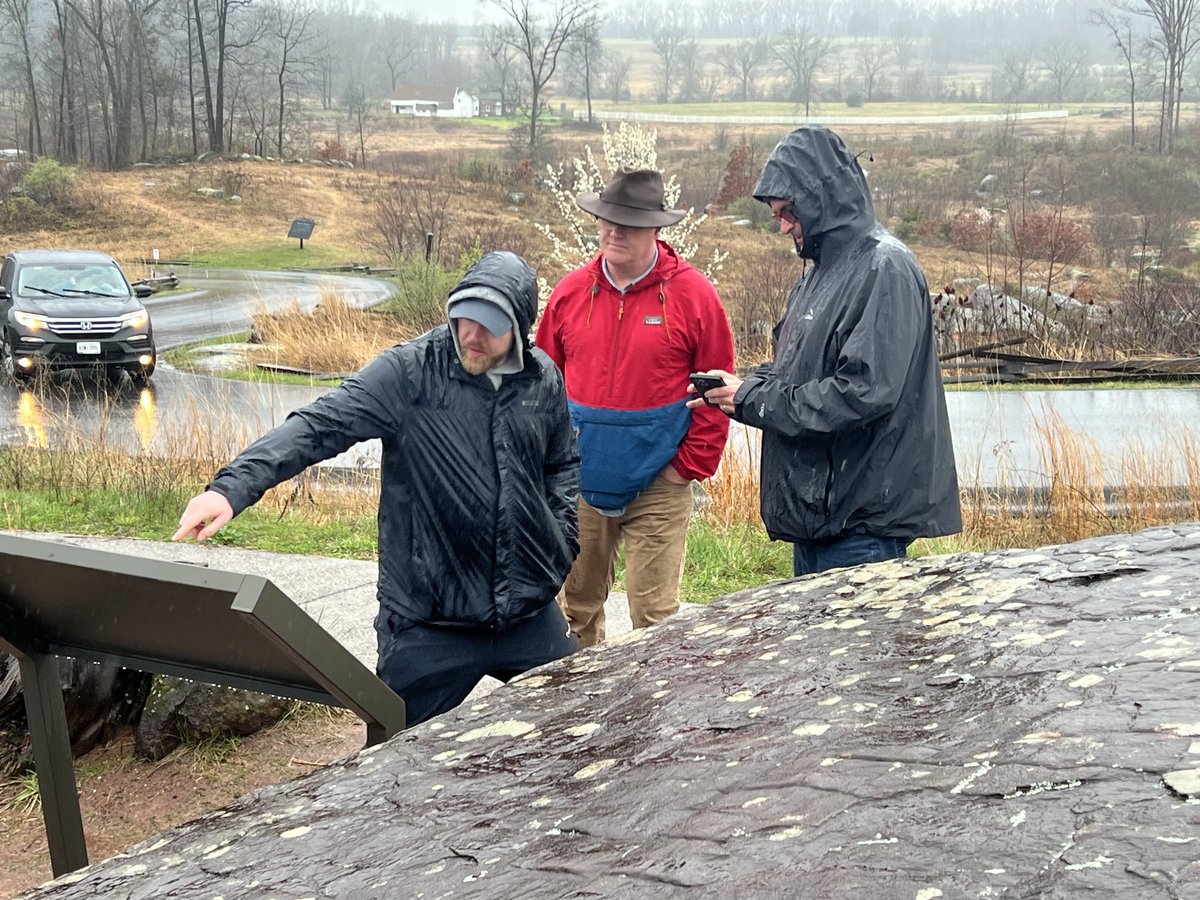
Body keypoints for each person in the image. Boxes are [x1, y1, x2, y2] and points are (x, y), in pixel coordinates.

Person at [173, 251, 581, 727]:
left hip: (527, 615)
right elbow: (318, 426)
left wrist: (561, 538)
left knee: (568, 732)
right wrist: (231, 488)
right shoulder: (409, 374)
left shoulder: (541, 379)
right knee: (392, 769)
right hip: (429, 624)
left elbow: (562, 464)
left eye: (490, 324)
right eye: (464, 317)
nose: (471, 334)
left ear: (520, 327)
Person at [689, 125, 962, 576]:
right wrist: (738, 389)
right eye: (778, 214)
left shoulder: (883, 267)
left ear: (819, 200)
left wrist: (753, 398)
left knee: (856, 648)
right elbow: (797, 374)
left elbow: (863, 393)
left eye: (787, 213)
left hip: (862, 529)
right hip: (821, 524)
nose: (781, 226)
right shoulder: (819, 275)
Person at [536, 167, 735, 646]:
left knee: (656, 620)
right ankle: (579, 715)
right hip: (581, 485)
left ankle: (653, 721)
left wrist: (685, 468)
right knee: (574, 612)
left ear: (657, 229)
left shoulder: (694, 296)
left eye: (627, 222)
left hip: (660, 486)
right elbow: (541, 386)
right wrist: (550, 466)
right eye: (607, 219)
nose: (613, 231)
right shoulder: (568, 294)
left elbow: (717, 393)